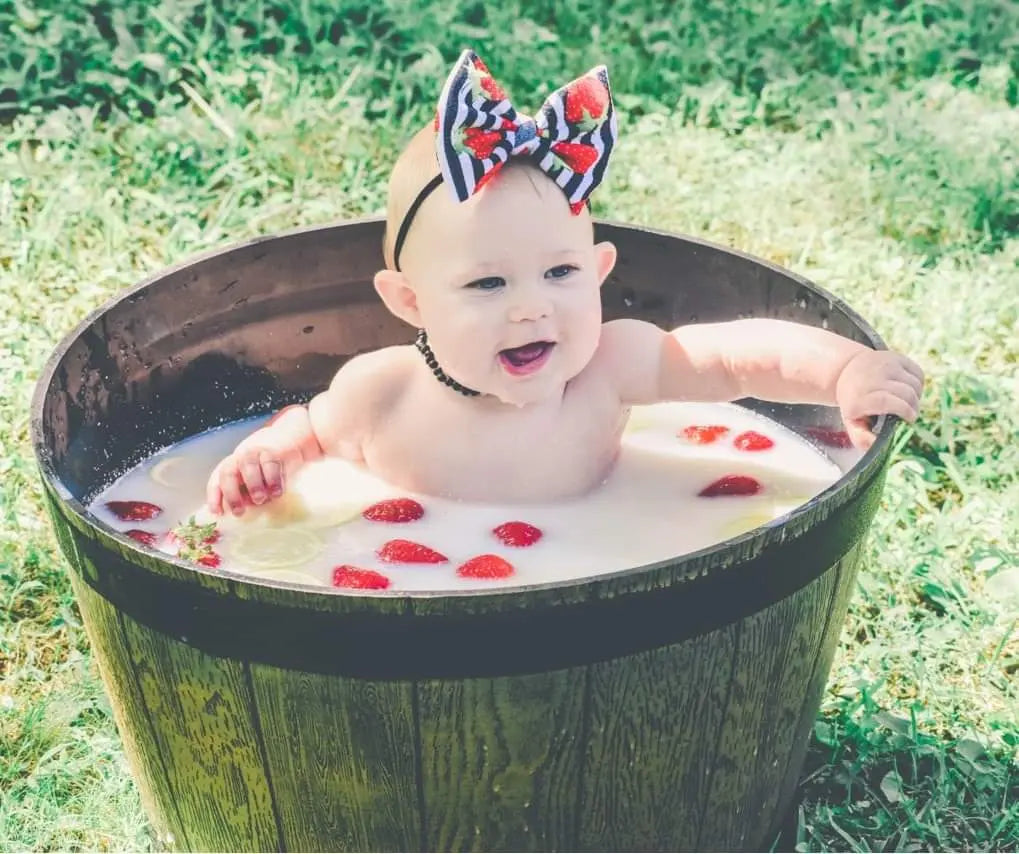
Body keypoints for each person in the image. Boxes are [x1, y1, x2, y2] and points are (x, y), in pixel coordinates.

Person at [206, 49, 923, 516]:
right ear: (409, 302)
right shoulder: (381, 392)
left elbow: (738, 357)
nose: (530, 308)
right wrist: (263, 459)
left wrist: (846, 371)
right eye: (487, 284)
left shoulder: (607, 369)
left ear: (600, 273)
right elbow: (307, 430)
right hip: (419, 616)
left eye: (560, 273)